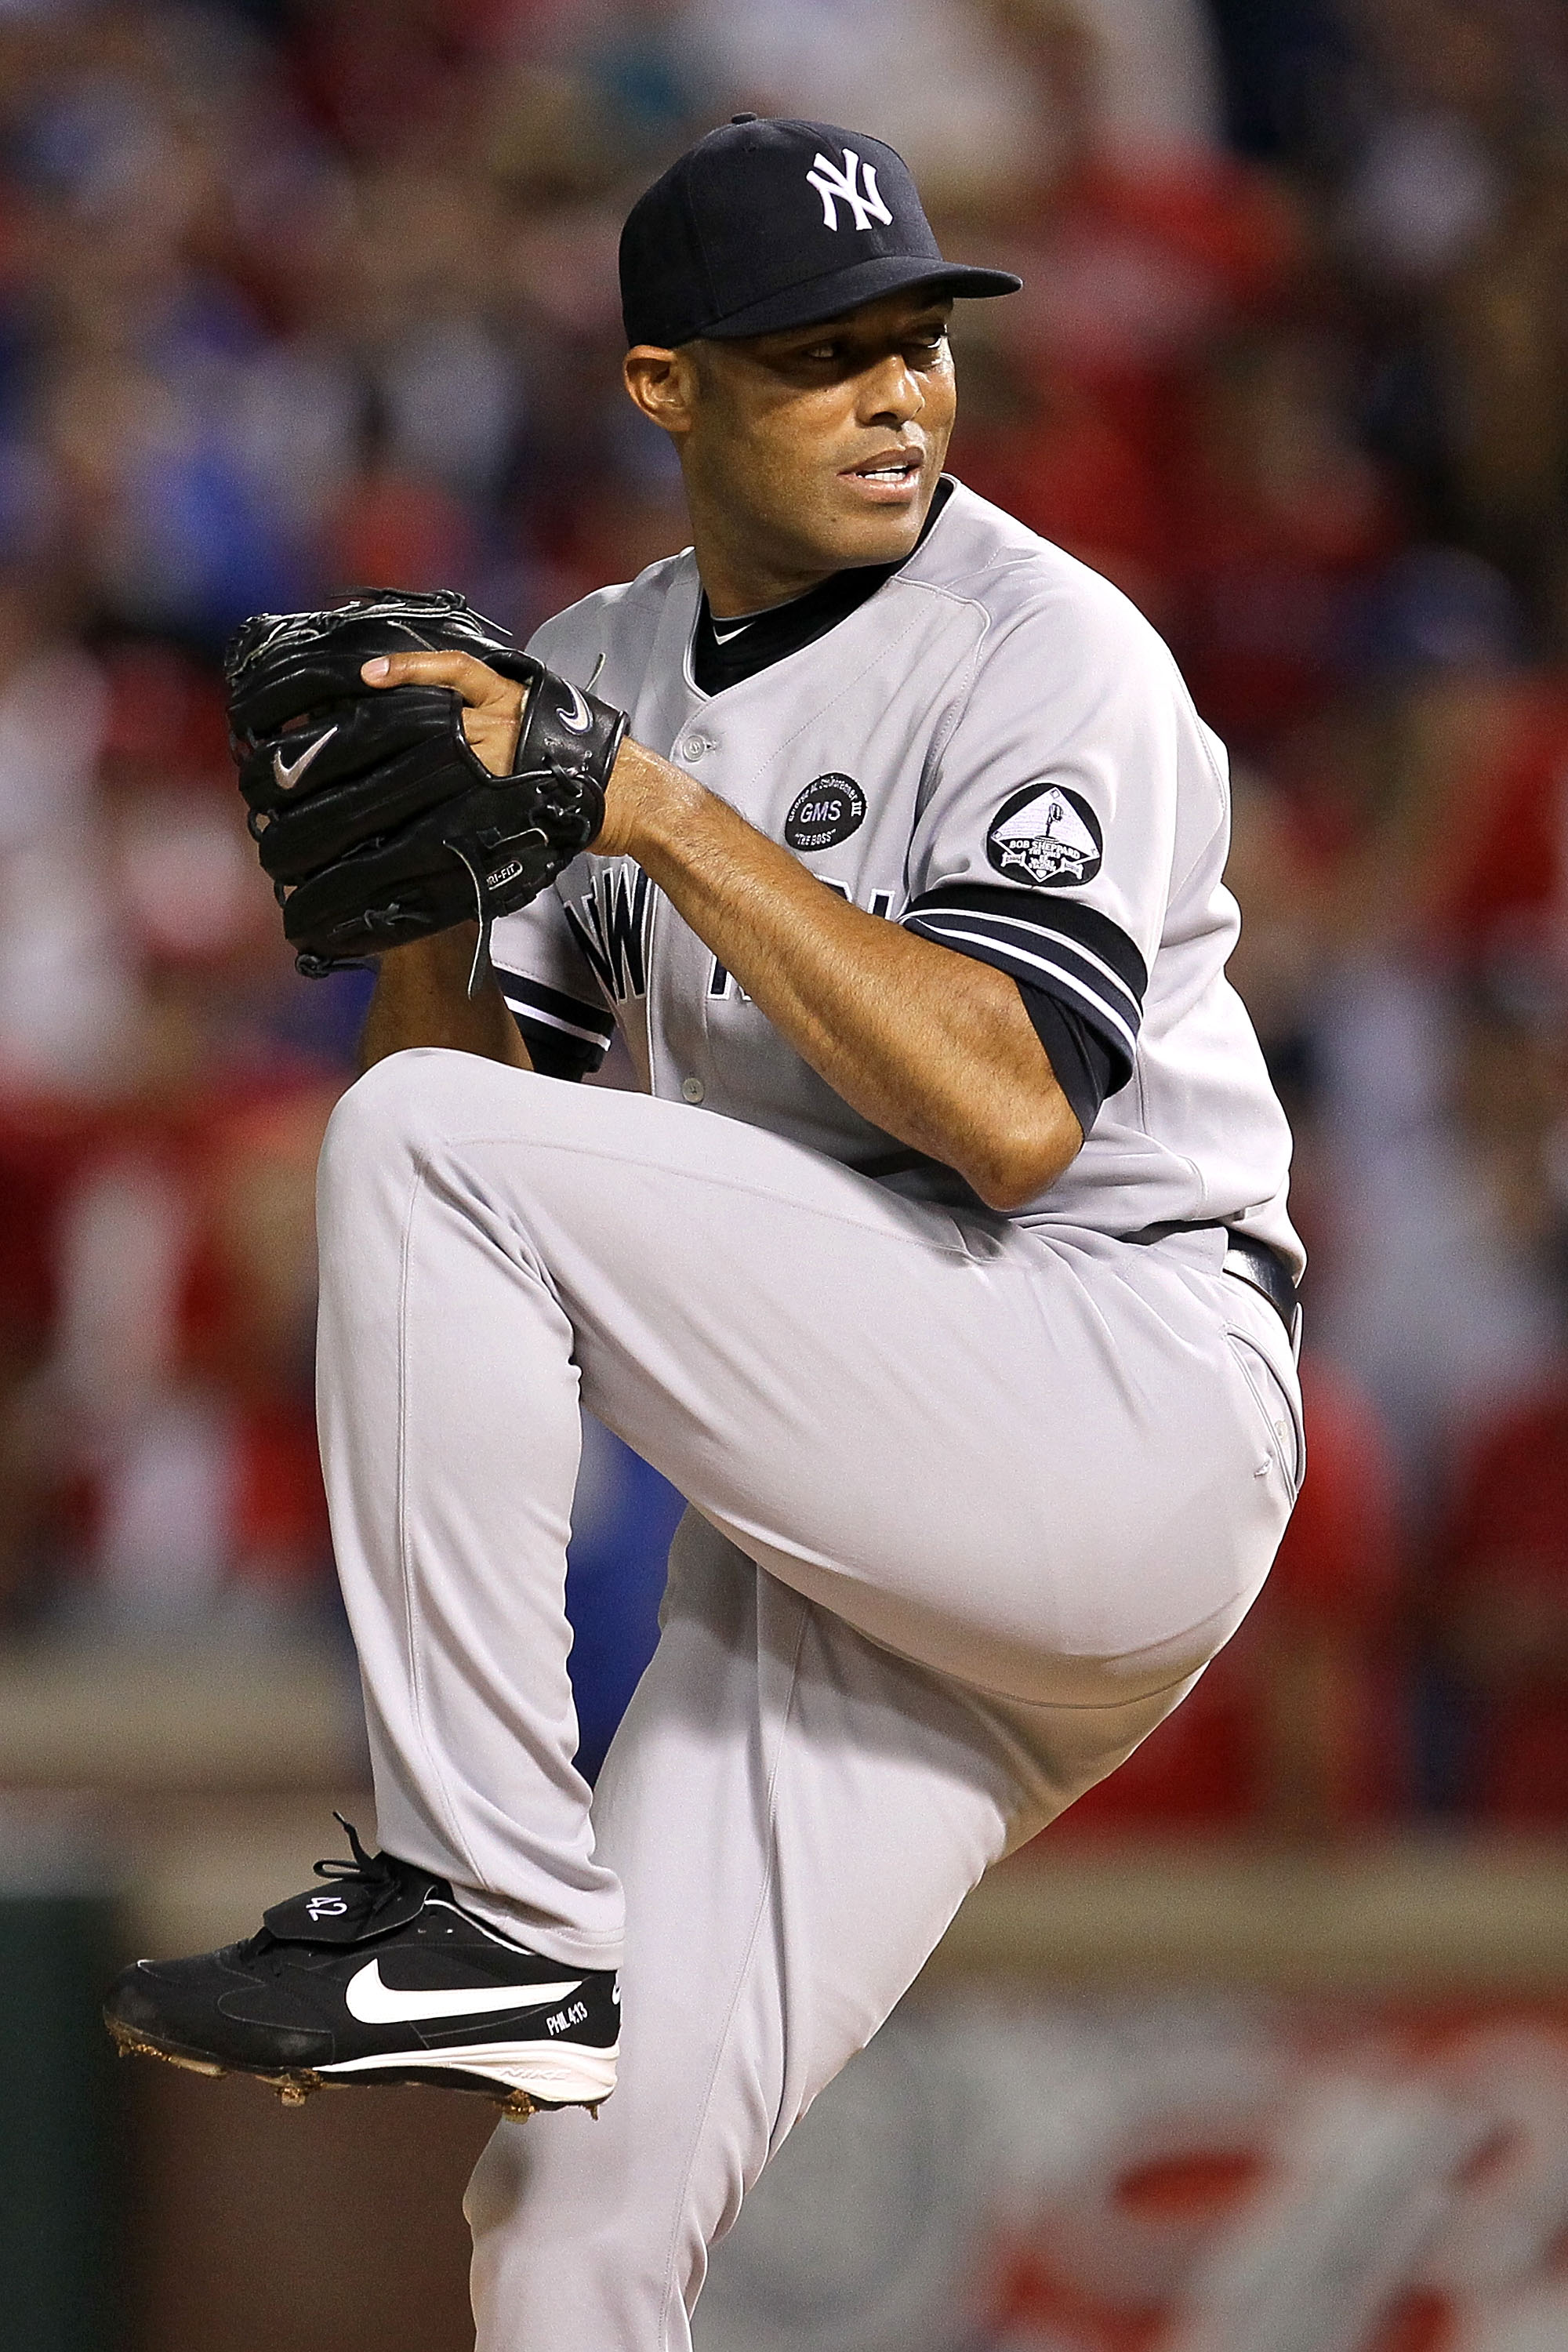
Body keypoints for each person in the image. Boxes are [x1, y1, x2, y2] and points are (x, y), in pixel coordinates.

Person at [106, 116, 1304, 2350]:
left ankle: (477, 1890)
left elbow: (1013, 1110)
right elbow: (485, 1139)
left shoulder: (1052, 651)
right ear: (666, 388)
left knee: (428, 1155)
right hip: (854, 1515)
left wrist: (639, 808)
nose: (896, 395)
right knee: (564, 2223)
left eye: (916, 342)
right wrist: (429, 886)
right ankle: (507, 1931)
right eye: (819, 354)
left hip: (1113, 1391)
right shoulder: (600, 662)